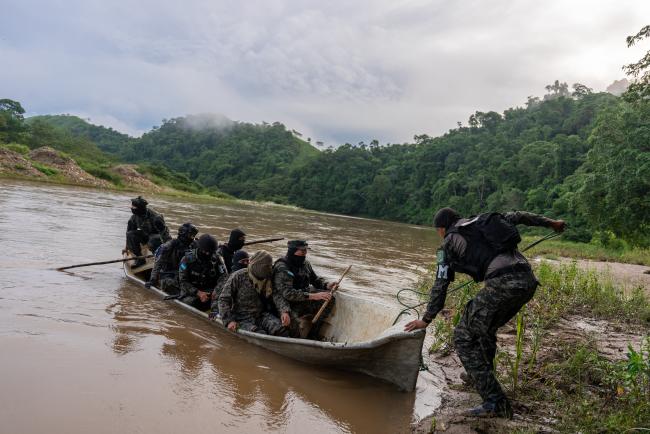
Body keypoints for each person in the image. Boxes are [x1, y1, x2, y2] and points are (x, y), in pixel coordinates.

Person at [405, 208, 566, 418]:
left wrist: (426, 319)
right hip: (527, 281)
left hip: (503, 284)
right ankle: (479, 376)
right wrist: (551, 223)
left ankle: (495, 401)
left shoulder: (447, 244)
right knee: (485, 328)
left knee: (462, 337)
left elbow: (440, 283)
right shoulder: (482, 221)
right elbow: (520, 216)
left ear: (442, 229)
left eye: (438, 232)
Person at [217, 250, 290, 336]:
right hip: (242, 318)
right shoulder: (239, 276)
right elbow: (224, 299)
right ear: (259, 266)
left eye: (270, 266)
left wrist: (284, 311)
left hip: (261, 315)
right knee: (259, 334)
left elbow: (277, 295)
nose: (269, 268)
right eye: (267, 266)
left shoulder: (268, 277)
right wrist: (229, 321)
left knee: (281, 329)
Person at [272, 240, 336, 338]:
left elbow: (315, 280)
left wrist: (327, 285)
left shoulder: (305, 264)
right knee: (294, 327)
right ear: (293, 252)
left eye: (306, 251)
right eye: (302, 251)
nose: (305, 254)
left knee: (329, 299)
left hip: (303, 299)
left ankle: (313, 333)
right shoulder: (282, 268)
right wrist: (313, 296)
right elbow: (287, 293)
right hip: (287, 305)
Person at [179, 234, 228, 311]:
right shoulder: (187, 259)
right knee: (193, 303)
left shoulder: (217, 258)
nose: (208, 254)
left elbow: (224, 277)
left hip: (211, 291)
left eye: (211, 252)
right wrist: (199, 293)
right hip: (192, 293)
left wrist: (216, 291)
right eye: (206, 251)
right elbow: (183, 282)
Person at [146, 222, 198, 293]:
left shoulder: (193, 245)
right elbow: (158, 263)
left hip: (184, 273)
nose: (192, 238)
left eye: (193, 236)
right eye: (191, 235)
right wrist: (152, 280)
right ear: (184, 233)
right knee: (169, 283)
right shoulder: (169, 246)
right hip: (168, 274)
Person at [125, 196, 171, 267]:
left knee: (153, 239)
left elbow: (165, 235)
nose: (131, 208)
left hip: (158, 238)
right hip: (146, 235)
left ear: (140, 208)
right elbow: (129, 232)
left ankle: (159, 259)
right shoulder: (134, 217)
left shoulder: (156, 217)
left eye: (133, 207)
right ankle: (140, 260)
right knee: (130, 235)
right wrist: (126, 248)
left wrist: (169, 250)